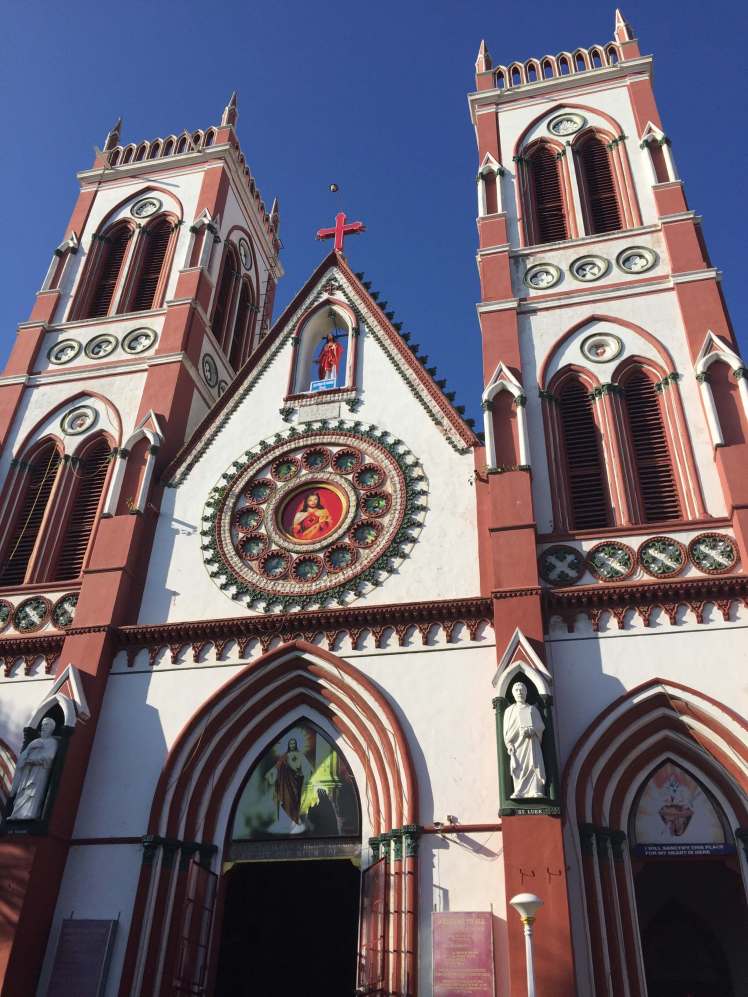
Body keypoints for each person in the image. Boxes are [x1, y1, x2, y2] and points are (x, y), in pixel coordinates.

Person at [8, 717, 59, 820]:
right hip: (27, 772)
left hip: (39, 772)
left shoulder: (52, 742)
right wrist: (31, 747)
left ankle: (29, 813)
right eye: (43, 725)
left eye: (47, 725)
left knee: (34, 792)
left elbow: (49, 757)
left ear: (52, 728)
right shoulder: (35, 741)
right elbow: (23, 757)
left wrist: (33, 760)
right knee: (23, 791)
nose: (44, 727)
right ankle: (16, 814)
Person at [503, 681, 546, 798]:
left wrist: (532, 730)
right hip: (517, 746)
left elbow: (541, 726)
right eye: (516, 690)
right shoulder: (509, 711)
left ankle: (536, 790)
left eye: (522, 690)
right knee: (519, 767)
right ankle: (519, 791)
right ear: (513, 694)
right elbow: (506, 730)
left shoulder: (532, 709)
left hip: (531, 743)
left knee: (533, 764)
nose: (519, 692)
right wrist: (509, 744)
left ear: (526, 693)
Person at [265, 737, 314, 834]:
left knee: (294, 803)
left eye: (293, 743)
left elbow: (308, 768)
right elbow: (276, 768)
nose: (292, 745)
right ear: (288, 745)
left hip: (295, 783)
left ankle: (295, 822)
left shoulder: (300, 755)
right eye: (290, 744)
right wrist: (269, 774)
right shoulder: (284, 756)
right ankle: (284, 823)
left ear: (296, 745)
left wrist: (302, 774)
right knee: (284, 801)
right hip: (284, 785)